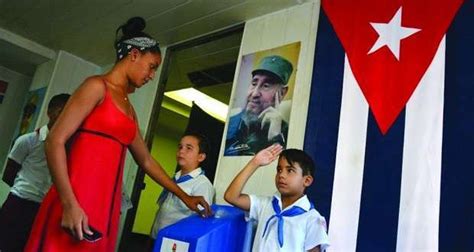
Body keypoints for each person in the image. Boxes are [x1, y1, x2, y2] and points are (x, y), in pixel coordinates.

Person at [25, 17, 210, 252]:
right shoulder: (96, 86)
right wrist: (69, 203)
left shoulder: (130, 111)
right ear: (134, 55)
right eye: (152, 66)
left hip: (104, 206)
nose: (152, 75)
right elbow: (54, 140)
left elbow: (145, 160)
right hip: (75, 198)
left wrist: (185, 197)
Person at [224, 145, 329, 252]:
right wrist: (255, 163)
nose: (281, 175)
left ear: (306, 181)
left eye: (290, 170)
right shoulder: (265, 204)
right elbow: (231, 196)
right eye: (279, 169)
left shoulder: (312, 218)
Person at [0, 93, 70, 252]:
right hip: (19, 203)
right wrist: (28, 189)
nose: (66, 116)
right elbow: (8, 174)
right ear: (50, 112)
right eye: (62, 111)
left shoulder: (68, 146)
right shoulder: (28, 140)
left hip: (45, 209)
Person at [225, 55, 293, 156]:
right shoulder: (230, 123)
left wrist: (275, 137)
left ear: (282, 93)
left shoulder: (287, 134)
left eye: (266, 86)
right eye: (254, 83)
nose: (254, 93)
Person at [150, 132, 215, 239]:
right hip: (157, 237)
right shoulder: (174, 178)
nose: (181, 151)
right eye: (180, 147)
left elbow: (199, 222)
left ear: (201, 157)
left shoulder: (202, 184)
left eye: (188, 148)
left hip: (174, 243)